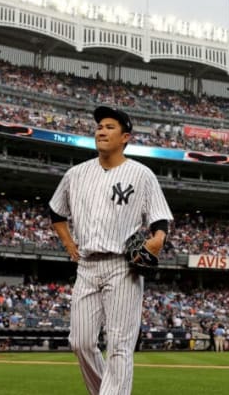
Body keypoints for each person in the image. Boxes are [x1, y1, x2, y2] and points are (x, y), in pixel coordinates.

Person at [49, 106, 173, 395]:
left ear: (125, 137)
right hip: (88, 265)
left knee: (119, 345)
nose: (101, 131)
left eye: (109, 127)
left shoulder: (141, 174)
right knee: (79, 342)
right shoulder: (75, 174)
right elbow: (56, 212)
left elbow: (159, 222)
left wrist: (155, 242)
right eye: (99, 126)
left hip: (123, 267)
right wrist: (69, 244)